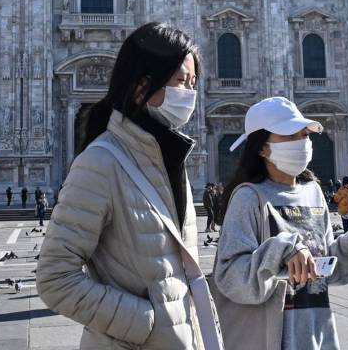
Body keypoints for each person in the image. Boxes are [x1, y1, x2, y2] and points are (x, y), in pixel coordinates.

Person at [37, 22, 215, 349]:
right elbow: (54, 278)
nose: (189, 94)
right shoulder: (100, 163)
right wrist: (144, 323)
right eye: (179, 81)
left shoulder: (170, 160)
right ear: (140, 87)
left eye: (193, 83)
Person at [212, 97, 348, 350]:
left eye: (304, 134)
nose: (302, 143)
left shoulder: (313, 191)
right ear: (262, 147)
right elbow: (230, 277)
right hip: (271, 336)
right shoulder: (248, 197)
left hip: (315, 328)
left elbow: (322, 263)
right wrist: (283, 249)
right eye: (290, 136)